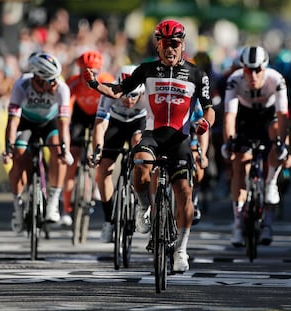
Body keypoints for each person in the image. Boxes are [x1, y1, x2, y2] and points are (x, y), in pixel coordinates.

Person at [82, 19, 215, 272]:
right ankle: (144, 207)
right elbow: (118, 91)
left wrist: (204, 126)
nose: (170, 49)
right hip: (153, 134)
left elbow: (209, 110)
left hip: (180, 138)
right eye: (165, 44)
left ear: (182, 45)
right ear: (158, 46)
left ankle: (182, 250)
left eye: (175, 44)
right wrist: (94, 84)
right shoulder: (146, 69)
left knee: (185, 191)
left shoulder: (198, 74)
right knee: (140, 165)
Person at [221, 46, 290, 247]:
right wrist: (229, 143)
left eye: (257, 69)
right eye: (248, 70)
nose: (252, 74)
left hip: (269, 118)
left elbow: (282, 115)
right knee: (239, 162)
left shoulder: (276, 79)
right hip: (245, 118)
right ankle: (237, 224)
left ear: (265, 68)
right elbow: (229, 116)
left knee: (277, 140)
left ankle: (270, 185)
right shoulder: (234, 80)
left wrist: (283, 145)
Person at [3, 52, 72, 233]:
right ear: (36, 78)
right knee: (18, 156)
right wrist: (8, 148)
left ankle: (53, 203)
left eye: (55, 79)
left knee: (59, 152)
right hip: (25, 122)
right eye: (50, 80)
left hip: (49, 123)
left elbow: (64, 124)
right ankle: (18, 209)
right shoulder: (21, 85)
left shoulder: (62, 88)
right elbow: (13, 122)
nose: (54, 84)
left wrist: (65, 149)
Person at [89, 65, 147, 243]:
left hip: (139, 123)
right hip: (116, 124)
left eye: (133, 96)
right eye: (125, 95)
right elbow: (100, 125)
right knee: (103, 171)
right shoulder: (110, 91)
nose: (129, 101)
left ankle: (140, 202)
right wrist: (97, 151)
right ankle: (109, 220)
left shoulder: (147, 93)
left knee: (139, 147)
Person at [61, 50, 114, 226]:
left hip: (99, 115)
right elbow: (66, 109)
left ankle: (95, 179)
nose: (89, 75)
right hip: (80, 115)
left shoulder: (107, 79)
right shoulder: (74, 82)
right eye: (85, 71)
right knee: (72, 159)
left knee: (100, 149)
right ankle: (66, 208)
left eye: (94, 71)